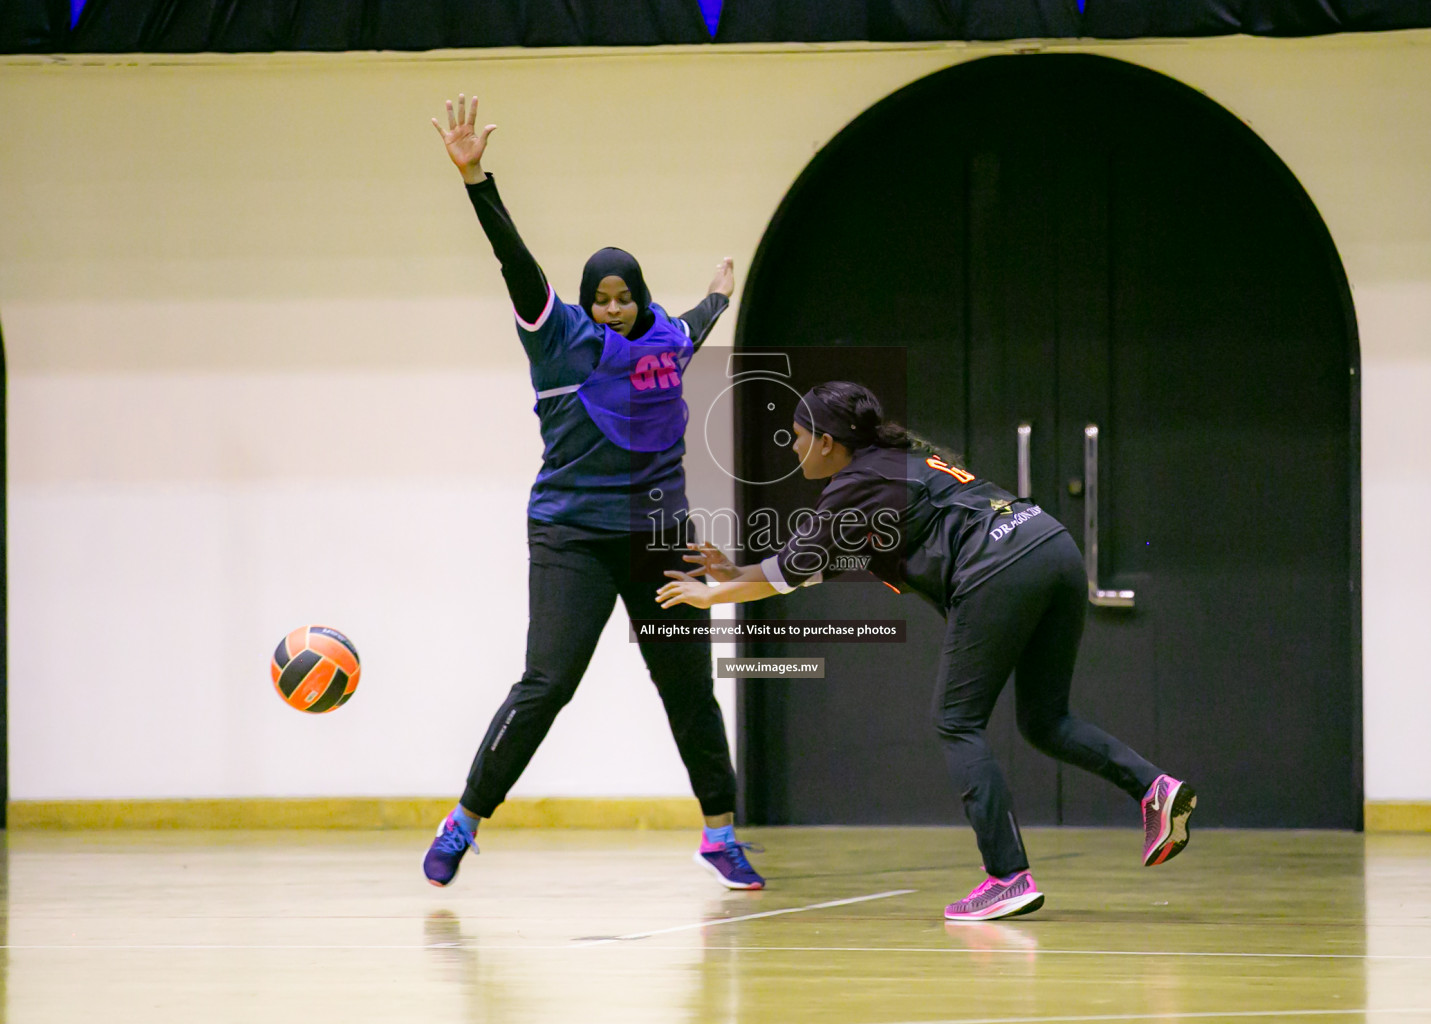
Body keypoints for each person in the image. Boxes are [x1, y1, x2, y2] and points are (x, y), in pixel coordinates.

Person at [657, 381, 1195, 920]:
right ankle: (1154, 788)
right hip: (1051, 546)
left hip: (998, 569)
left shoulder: (855, 483)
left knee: (955, 721)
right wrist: (734, 574)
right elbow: (808, 567)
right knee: (1045, 719)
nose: (792, 448)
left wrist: (713, 593)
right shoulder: (900, 457)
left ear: (826, 441)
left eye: (798, 437)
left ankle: (1007, 876)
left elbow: (791, 571)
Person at [423, 93, 763, 891]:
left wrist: (717, 297)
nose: (613, 309)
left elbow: (693, 325)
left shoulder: (666, 344)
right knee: (548, 684)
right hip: (572, 536)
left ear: (639, 299)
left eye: (625, 298)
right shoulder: (558, 337)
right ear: (584, 301)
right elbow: (517, 262)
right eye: (600, 298)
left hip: (657, 537)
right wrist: (477, 181)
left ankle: (720, 836)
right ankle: (463, 823)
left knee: (689, 689)